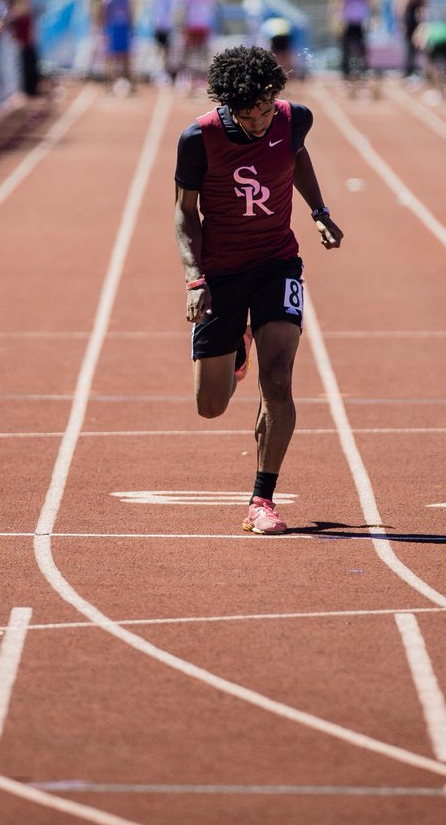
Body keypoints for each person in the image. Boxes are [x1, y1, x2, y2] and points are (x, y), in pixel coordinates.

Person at [174, 45, 343, 535]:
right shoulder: (198, 138)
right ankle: (237, 347)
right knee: (211, 405)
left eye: (267, 110)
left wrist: (320, 211)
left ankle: (262, 499)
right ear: (228, 106)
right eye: (248, 118)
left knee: (280, 379)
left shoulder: (294, 120)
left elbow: (298, 155)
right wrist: (194, 277)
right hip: (221, 273)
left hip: (277, 263)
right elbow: (184, 213)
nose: (260, 123)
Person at [172, 0, 223, 88]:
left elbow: (217, 2)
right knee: (187, 51)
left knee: (203, 51)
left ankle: (201, 76)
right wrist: (180, 23)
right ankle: (184, 76)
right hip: (190, 24)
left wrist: (217, 21)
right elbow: (179, 7)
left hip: (204, 23)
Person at [328, 0, 374, 86]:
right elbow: (335, 4)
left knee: (361, 50)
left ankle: (362, 74)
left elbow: (370, 4)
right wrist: (336, 21)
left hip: (359, 23)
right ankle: (346, 75)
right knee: (345, 50)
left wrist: (370, 19)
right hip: (346, 23)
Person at [94, 0, 134, 93]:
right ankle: (109, 83)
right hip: (111, 28)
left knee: (125, 57)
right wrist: (101, 29)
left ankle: (129, 83)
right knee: (110, 57)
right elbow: (101, 13)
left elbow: (129, 12)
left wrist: (131, 26)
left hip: (123, 27)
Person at [139, 0, 176, 82]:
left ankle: (164, 71)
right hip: (155, 22)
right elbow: (144, 2)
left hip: (168, 23)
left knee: (166, 48)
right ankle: (156, 71)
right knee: (156, 48)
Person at [393, 0, 430, 78]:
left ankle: (418, 69)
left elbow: (424, 5)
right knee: (410, 44)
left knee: (419, 44)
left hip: (417, 19)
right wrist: (402, 22)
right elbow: (402, 4)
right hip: (409, 18)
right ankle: (408, 70)